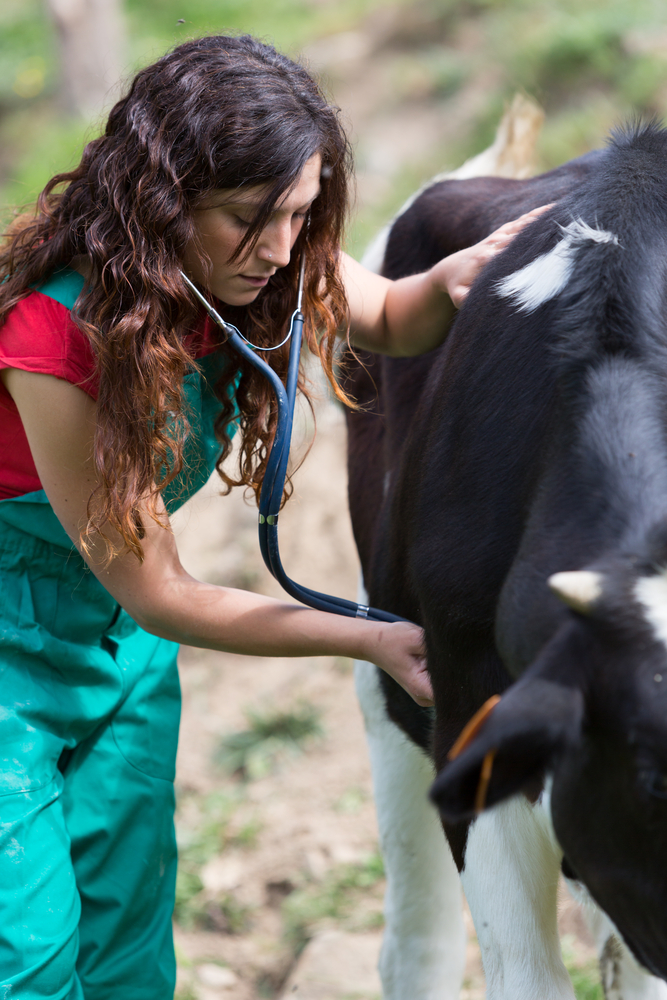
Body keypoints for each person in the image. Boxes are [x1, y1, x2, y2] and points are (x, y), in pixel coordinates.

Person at [0, 34, 541, 999]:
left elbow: (396, 315)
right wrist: (364, 640)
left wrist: (459, 280)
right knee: (29, 957)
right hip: (14, 655)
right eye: (253, 218)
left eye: (301, 214)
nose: (285, 249)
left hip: (119, 649)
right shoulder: (53, 337)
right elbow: (162, 589)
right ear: (160, 205)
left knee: (127, 939)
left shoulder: (261, 270)